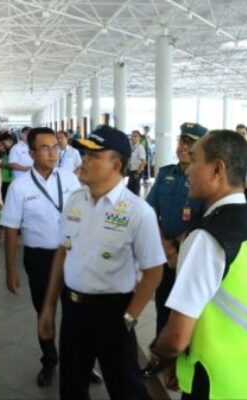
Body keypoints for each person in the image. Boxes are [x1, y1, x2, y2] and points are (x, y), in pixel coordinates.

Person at [151, 130, 247, 399]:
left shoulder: (207, 238)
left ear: (217, 169)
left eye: (195, 159)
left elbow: (177, 337)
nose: (187, 170)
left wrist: (158, 354)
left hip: (216, 384)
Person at [38, 125, 166, 400]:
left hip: (114, 313)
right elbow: (63, 252)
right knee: (72, 387)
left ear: (116, 165)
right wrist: (49, 307)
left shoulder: (137, 211)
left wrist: (129, 318)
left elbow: (154, 271)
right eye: (85, 154)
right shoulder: (75, 200)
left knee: (126, 389)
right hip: (73, 310)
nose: (84, 160)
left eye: (94, 156)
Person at [0, 127, 82, 387]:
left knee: (75, 314)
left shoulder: (70, 179)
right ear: (31, 153)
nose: (52, 152)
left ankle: (80, 363)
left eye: (55, 146)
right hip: (39, 259)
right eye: (44, 148)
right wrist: (10, 270)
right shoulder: (19, 187)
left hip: (72, 256)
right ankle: (49, 360)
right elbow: (11, 230)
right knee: (44, 312)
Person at [141, 122, 207, 379]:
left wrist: (181, 248)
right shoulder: (166, 173)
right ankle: (162, 361)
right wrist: (166, 246)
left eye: (190, 143)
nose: (183, 147)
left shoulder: (206, 177)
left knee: (189, 312)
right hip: (165, 252)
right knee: (163, 306)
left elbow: (209, 218)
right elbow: (149, 211)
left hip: (192, 256)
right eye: (182, 141)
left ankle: (184, 365)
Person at [0, 132, 15, 202]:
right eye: (1, 143)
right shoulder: (4, 151)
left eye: (4, 143)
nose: (3, 145)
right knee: (5, 200)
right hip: (5, 180)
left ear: (10, 141)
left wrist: (1, 166)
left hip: (13, 181)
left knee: (12, 202)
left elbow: (15, 166)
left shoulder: (16, 151)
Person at [127, 130, 147, 195]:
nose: (133, 138)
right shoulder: (133, 147)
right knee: (130, 189)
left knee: (135, 190)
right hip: (131, 171)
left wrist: (138, 173)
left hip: (137, 171)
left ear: (139, 138)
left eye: (135, 136)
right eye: (132, 136)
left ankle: (136, 204)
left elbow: (143, 161)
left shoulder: (140, 148)